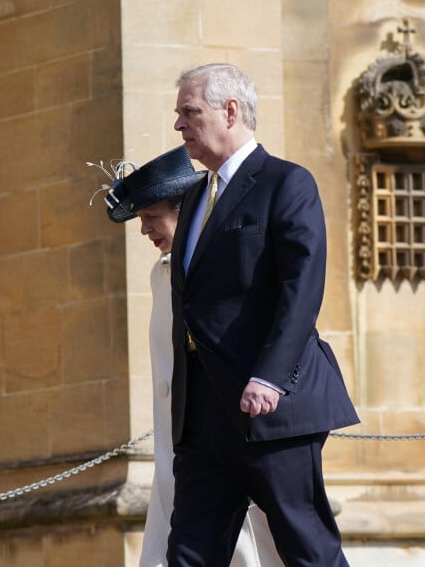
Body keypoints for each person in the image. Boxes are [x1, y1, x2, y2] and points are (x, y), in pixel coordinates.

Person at [168, 63, 360, 565]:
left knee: (307, 549)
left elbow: (302, 288)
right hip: (203, 416)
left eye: (190, 112)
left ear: (230, 111)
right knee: (188, 553)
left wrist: (270, 378)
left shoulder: (286, 182)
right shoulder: (192, 198)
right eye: (179, 114)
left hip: (271, 408)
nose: (179, 125)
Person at [101, 145, 283, 567]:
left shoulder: (222, 265)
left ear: (187, 213)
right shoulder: (161, 272)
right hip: (183, 445)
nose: (144, 229)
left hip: (232, 436)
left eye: (151, 216)